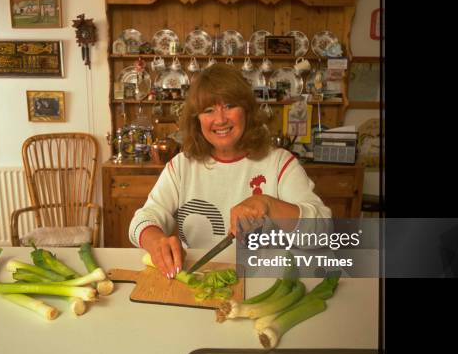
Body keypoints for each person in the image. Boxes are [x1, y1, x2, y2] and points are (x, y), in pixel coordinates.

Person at [129, 64, 331, 279]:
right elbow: (143, 219)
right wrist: (155, 241)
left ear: (247, 111)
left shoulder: (280, 163)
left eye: (229, 106)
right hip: (199, 280)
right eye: (208, 110)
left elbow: (323, 231)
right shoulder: (180, 167)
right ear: (197, 120)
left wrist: (268, 204)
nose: (220, 119)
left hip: (265, 281)